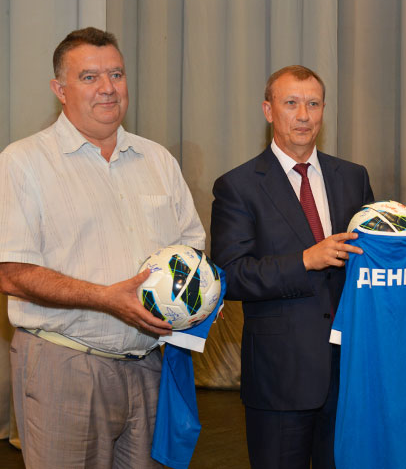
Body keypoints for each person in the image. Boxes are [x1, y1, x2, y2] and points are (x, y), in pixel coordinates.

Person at [0, 27, 205, 468]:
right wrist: (105, 298)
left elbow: (192, 250)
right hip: (65, 365)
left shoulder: (158, 160)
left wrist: (203, 296)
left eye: (116, 74)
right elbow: (12, 273)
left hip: (150, 365)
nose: (108, 88)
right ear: (60, 90)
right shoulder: (22, 162)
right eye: (89, 77)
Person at [209, 65, 374, 469]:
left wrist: (405, 245)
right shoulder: (238, 186)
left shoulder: (353, 177)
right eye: (291, 103)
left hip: (349, 370)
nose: (303, 115)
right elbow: (231, 276)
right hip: (280, 376)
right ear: (268, 110)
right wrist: (305, 260)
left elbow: (369, 256)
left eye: (313, 104)